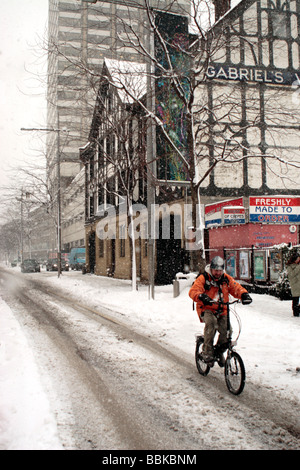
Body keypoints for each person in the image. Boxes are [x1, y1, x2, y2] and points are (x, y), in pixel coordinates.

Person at [189, 256, 252, 366]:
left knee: (227, 331)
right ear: (211, 269)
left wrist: (244, 294)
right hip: (206, 308)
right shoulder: (204, 278)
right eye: (215, 270)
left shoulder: (225, 279)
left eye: (220, 270)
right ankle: (207, 352)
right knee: (211, 324)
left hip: (222, 309)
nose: (218, 273)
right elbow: (194, 291)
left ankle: (218, 352)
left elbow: (236, 287)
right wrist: (201, 296)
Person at [286, 252, 300, 317]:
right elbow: (291, 274)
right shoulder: (290, 266)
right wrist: (298, 267)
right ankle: (296, 312)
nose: (298, 260)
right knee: (295, 298)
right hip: (295, 284)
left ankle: (298, 309)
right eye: (297, 259)